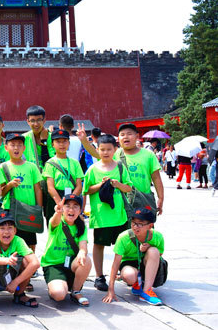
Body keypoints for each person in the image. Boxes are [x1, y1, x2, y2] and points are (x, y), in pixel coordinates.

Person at [83, 134, 134, 292]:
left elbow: (128, 188)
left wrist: (117, 184)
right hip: (101, 216)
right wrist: (100, 185)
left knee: (123, 245)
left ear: (115, 150)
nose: (105, 152)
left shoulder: (120, 167)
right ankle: (99, 276)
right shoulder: (92, 169)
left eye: (109, 149)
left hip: (119, 216)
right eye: (102, 149)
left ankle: (124, 271)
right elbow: (86, 190)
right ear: (97, 150)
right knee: (99, 245)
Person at [103, 207, 166, 306]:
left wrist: (149, 247)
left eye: (140, 224)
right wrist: (111, 290)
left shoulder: (157, 236)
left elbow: (159, 254)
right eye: (133, 223)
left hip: (145, 263)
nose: (136, 227)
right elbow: (116, 264)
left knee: (154, 251)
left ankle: (146, 291)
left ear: (150, 225)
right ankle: (137, 282)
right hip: (129, 263)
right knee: (129, 275)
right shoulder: (123, 237)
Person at [41, 194, 92, 307]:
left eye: (75, 206)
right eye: (67, 206)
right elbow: (54, 222)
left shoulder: (81, 226)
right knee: (59, 294)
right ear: (62, 208)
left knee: (86, 259)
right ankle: (56, 287)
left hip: (71, 264)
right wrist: (57, 213)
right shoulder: (57, 221)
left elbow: (83, 246)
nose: (71, 210)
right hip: (54, 265)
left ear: (80, 210)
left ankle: (76, 291)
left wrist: (82, 252)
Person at [0, 212, 40, 307]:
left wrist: (15, 282)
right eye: (2, 228)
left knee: (27, 262)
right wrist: (7, 260)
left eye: (10, 228)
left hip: (14, 278)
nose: (6, 232)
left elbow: (35, 263)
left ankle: (19, 294)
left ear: (15, 230)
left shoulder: (18, 241)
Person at [0, 133, 43, 252]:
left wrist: (39, 209)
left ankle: (30, 262)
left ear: (24, 148)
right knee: (10, 240)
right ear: (6, 148)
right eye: (12, 145)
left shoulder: (32, 167)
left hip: (29, 210)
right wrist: (9, 185)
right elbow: (0, 193)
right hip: (10, 210)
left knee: (30, 242)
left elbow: (38, 189)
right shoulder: (2, 167)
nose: (16, 148)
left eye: (19, 145)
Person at [114, 123, 165, 214]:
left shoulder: (148, 155)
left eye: (129, 134)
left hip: (143, 199)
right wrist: (86, 143)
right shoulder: (114, 155)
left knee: (144, 223)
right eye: (122, 135)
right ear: (118, 138)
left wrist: (160, 198)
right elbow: (97, 154)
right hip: (121, 201)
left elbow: (156, 178)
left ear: (137, 136)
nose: (125, 137)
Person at [42, 130, 84, 209]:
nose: (62, 144)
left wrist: (70, 201)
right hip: (55, 199)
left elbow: (79, 186)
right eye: (58, 142)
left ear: (69, 143)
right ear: (52, 144)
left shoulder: (75, 163)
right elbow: (50, 188)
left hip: (72, 197)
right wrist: (60, 204)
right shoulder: (50, 163)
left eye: (64, 141)